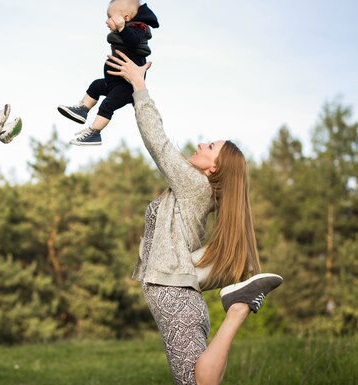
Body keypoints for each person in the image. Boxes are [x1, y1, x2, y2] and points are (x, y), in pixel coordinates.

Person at [106, 50, 283, 385]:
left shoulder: (194, 185)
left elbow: (158, 142)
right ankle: (238, 304)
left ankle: (239, 307)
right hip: (177, 295)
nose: (201, 144)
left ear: (214, 168)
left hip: (174, 295)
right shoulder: (198, 192)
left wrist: (140, 87)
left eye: (210, 146)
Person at [57, 0, 159, 146]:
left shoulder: (138, 28)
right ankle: (83, 109)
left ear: (124, 18)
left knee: (107, 105)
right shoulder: (124, 31)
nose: (106, 21)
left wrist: (123, 28)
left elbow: (133, 41)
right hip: (114, 82)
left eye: (110, 17)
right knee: (96, 85)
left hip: (127, 87)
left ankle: (94, 133)